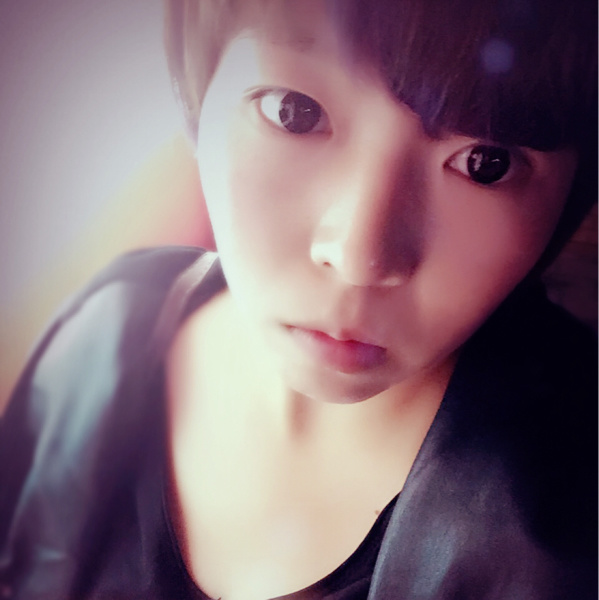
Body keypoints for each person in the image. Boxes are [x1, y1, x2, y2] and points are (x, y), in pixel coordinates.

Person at [0, 0, 596, 598]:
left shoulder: (573, 501)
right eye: (294, 112)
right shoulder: (104, 327)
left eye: (486, 164)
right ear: (201, 90)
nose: (360, 257)